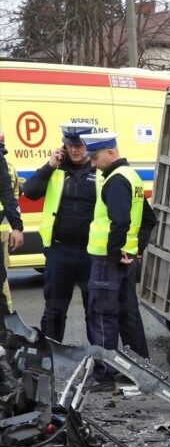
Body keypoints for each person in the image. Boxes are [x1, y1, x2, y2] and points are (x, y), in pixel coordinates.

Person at [80, 131, 155, 387]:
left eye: (95, 157)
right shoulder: (131, 177)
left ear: (110, 153)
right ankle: (141, 368)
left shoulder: (114, 180)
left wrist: (114, 252)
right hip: (125, 260)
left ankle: (103, 376)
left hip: (107, 260)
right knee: (128, 314)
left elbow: (120, 221)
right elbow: (148, 220)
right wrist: (134, 250)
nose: (92, 163)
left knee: (102, 315)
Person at [22, 124, 100, 342]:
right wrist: (49, 165)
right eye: (70, 145)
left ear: (88, 145)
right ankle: (51, 359)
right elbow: (29, 192)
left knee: (94, 311)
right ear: (63, 146)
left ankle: (98, 363)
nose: (75, 150)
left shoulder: (100, 170)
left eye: (79, 145)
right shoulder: (55, 170)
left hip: (91, 252)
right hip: (60, 250)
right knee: (54, 310)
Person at [0, 129, 25, 317]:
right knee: (3, 280)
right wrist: (16, 225)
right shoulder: (9, 167)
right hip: (4, 228)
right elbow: (12, 199)